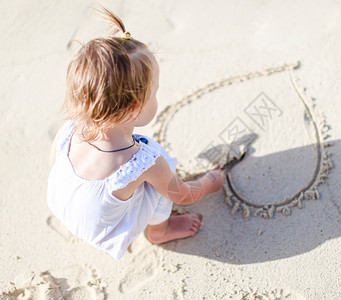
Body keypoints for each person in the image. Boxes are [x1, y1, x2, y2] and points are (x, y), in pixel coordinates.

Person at [47, 7, 225, 260]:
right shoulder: (141, 162)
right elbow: (182, 195)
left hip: (64, 208)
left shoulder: (68, 130)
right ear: (134, 108)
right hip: (104, 230)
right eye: (154, 93)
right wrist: (210, 183)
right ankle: (160, 232)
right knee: (157, 182)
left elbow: (54, 165)